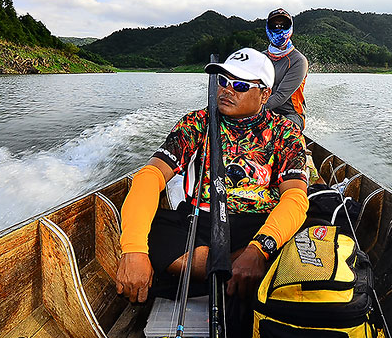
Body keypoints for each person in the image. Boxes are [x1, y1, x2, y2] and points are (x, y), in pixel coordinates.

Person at [115, 47, 309, 304]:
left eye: (239, 85)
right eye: (222, 81)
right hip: (202, 219)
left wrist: (259, 249)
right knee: (152, 233)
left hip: (257, 222)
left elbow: (295, 198)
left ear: (265, 94)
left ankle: (225, 271)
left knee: (302, 236)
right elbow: (150, 176)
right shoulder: (196, 123)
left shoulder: (285, 132)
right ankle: (234, 273)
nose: (227, 90)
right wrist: (134, 249)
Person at [264, 8, 308, 131]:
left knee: (273, 134)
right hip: (263, 111)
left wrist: (250, 110)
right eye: (275, 26)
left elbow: (280, 96)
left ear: (290, 28)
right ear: (268, 29)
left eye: (283, 25)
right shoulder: (260, 58)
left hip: (291, 115)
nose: (279, 29)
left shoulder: (298, 60)